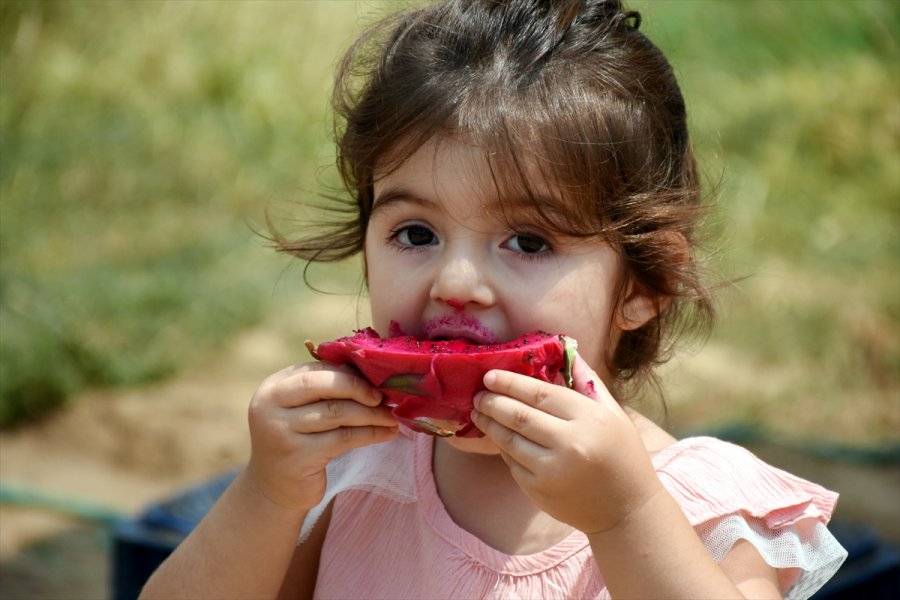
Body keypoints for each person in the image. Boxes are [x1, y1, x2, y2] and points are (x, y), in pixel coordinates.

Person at [140, 1, 847, 598]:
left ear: (644, 285)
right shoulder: (355, 473)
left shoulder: (705, 507)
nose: (455, 283)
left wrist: (624, 516)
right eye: (416, 232)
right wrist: (266, 494)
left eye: (529, 242)